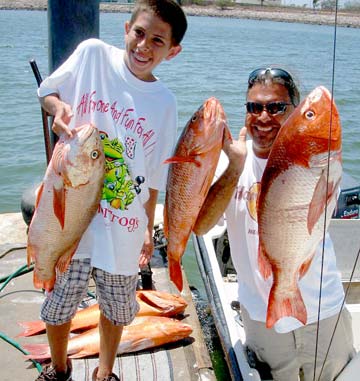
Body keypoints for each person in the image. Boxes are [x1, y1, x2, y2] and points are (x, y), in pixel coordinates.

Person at [35, 1, 187, 381]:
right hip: (72, 217)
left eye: (158, 41)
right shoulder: (92, 56)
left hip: (124, 226)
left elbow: (153, 179)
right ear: (125, 29)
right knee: (57, 307)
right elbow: (47, 92)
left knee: (117, 309)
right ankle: (59, 368)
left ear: (173, 51)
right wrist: (58, 109)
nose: (144, 46)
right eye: (139, 33)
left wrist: (148, 232)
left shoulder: (165, 104)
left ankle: (104, 374)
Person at [193, 67, 355, 381]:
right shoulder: (230, 161)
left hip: (324, 311)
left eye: (276, 107)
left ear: (294, 113)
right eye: (254, 107)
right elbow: (200, 226)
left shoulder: (318, 161)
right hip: (262, 317)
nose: (263, 116)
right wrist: (234, 169)